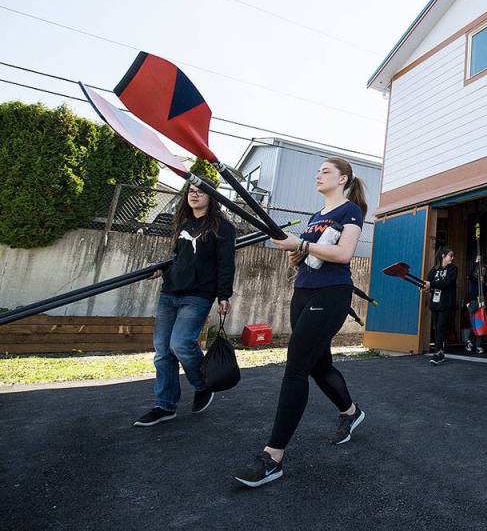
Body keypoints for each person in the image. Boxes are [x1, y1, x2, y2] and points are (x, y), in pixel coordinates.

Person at [233, 157, 368, 488]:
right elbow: (311, 255)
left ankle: (273, 456)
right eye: (317, 171)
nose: (318, 175)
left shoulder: (350, 211)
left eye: (326, 171)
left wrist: (302, 244)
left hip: (331, 294)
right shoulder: (314, 217)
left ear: (344, 179)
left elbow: (344, 254)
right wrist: (298, 255)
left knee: (295, 367)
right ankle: (351, 413)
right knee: (317, 367)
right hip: (304, 290)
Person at [133, 178, 235, 427]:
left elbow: (226, 263)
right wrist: (161, 269)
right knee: (162, 351)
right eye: (191, 191)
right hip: (170, 291)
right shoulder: (184, 223)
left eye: (201, 192)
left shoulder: (222, 227)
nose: (195, 195)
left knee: (180, 343)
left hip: (198, 294)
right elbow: (179, 257)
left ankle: (203, 385)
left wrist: (224, 295)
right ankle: (164, 405)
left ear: (212, 197)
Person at [424, 247, 458, 365]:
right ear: (443, 255)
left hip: (446, 303)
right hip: (435, 303)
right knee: (437, 328)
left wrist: (431, 284)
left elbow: (446, 283)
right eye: (451, 255)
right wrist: (425, 287)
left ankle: (437, 352)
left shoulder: (453, 269)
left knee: (441, 327)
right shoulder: (434, 269)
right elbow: (428, 282)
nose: (453, 258)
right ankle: (441, 352)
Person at [464, 254, 486, 354]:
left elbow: (485, 293)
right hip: (473, 303)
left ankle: (475, 344)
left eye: (484, 271)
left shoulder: (485, 282)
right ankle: (472, 343)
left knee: (480, 323)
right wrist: (476, 262)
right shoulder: (473, 279)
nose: (482, 272)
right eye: (481, 270)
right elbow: (469, 273)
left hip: (481, 303)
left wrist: (483, 282)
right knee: (475, 324)